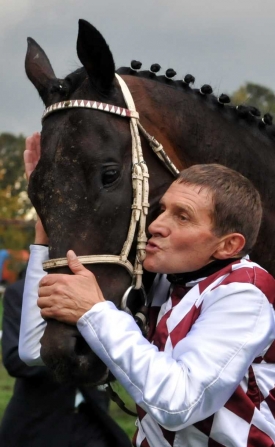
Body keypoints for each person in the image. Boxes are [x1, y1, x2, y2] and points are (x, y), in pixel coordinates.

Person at [19, 134, 275, 447]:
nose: (156, 225)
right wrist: (47, 229)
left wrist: (95, 312)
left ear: (228, 245)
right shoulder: (165, 279)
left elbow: (178, 403)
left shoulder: (245, 291)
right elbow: (34, 351)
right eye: (163, 209)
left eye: (182, 216)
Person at [0, 272, 132, 447]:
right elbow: (14, 360)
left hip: (94, 419)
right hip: (38, 423)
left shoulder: (99, 290)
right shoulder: (20, 292)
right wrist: (74, 357)